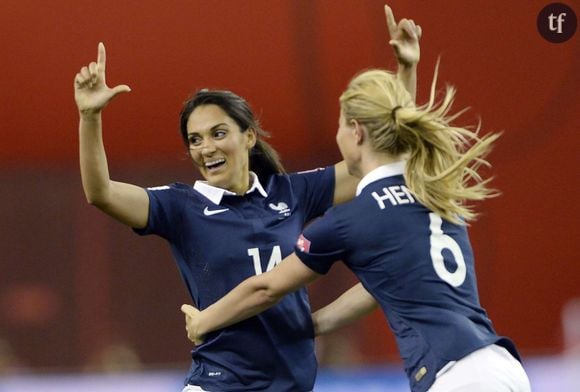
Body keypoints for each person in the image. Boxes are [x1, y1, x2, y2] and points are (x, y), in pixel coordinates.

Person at [73, 5, 421, 392]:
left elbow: (383, 159)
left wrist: (406, 73)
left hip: (292, 383)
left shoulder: (291, 192)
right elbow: (100, 192)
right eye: (195, 139)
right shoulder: (181, 206)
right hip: (221, 382)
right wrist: (90, 117)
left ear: (249, 137)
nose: (206, 147)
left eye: (219, 133)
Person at [181, 66, 532, 391]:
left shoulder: (351, 219)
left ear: (357, 131)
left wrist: (204, 322)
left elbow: (265, 288)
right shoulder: (432, 194)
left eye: (340, 125)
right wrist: (309, 326)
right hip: (503, 365)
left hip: (456, 377)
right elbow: (380, 286)